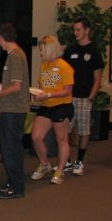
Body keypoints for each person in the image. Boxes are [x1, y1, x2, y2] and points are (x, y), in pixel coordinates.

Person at [0, 23, 30, 199]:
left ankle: (17, 186)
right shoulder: (15, 55)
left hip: (14, 109)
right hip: (11, 108)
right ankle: (13, 181)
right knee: (11, 147)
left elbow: (16, 86)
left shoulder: (15, 56)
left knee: (10, 148)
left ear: (1, 38)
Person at [62, 17, 104, 175]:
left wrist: (91, 97)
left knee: (83, 130)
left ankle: (79, 161)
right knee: (65, 129)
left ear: (87, 30)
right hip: (69, 96)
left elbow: (97, 78)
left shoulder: (94, 51)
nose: (75, 32)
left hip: (85, 97)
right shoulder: (70, 50)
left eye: (78, 30)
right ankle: (66, 161)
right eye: (74, 30)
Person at [30, 35, 74, 184]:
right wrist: (38, 95)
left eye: (42, 50)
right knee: (36, 136)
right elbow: (43, 86)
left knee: (61, 139)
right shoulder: (44, 65)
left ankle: (60, 171)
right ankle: (44, 164)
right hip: (46, 106)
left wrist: (48, 94)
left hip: (62, 105)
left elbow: (67, 90)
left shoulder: (64, 66)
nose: (41, 53)